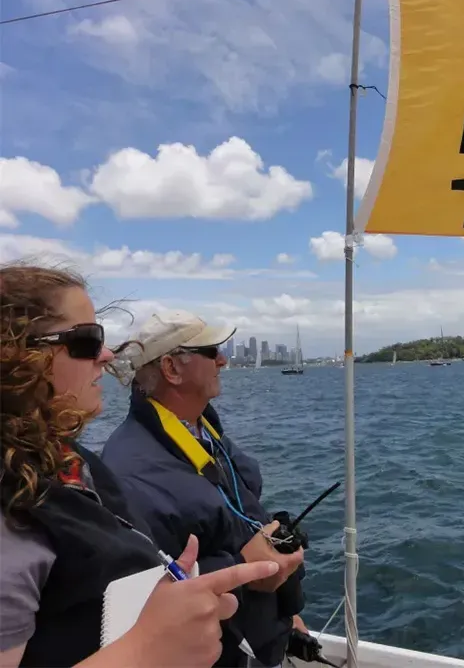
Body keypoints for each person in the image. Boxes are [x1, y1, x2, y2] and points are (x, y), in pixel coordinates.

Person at [0, 265, 280, 668]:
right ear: (17, 357)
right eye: (86, 340)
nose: (108, 354)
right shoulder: (14, 509)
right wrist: (144, 649)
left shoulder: (65, 463)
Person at [102, 310, 308, 668]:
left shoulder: (201, 430)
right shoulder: (130, 472)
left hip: (257, 633)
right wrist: (244, 569)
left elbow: (239, 513)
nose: (224, 361)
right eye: (212, 352)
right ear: (172, 368)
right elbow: (148, 595)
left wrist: (287, 616)